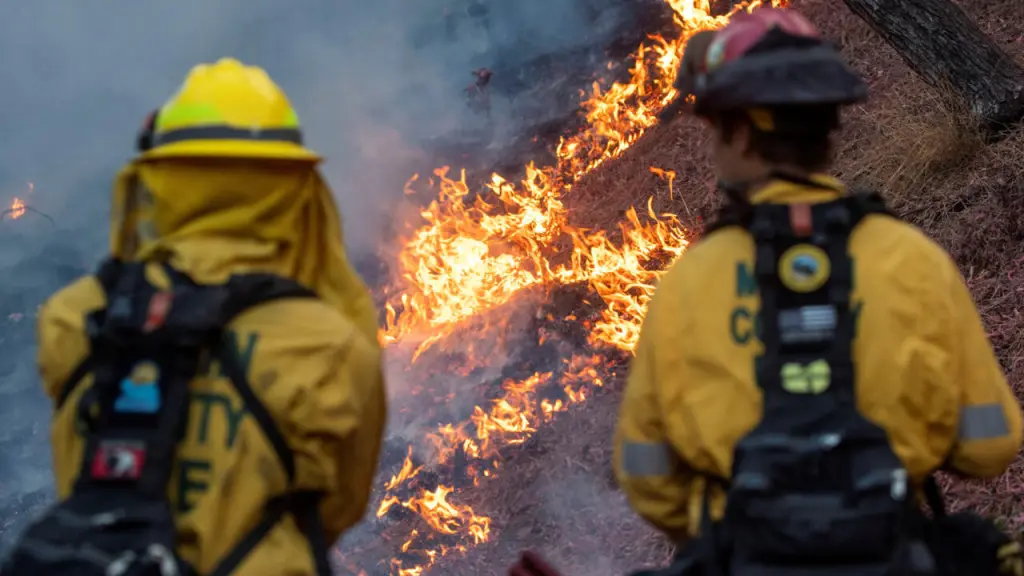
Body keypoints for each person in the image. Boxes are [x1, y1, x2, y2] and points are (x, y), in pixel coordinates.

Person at [509, 6, 1024, 576]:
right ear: (829, 125)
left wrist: (728, 534)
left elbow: (647, 476)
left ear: (739, 130)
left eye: (714, 125)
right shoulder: (911, 259)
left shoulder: (690, 282)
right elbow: (990, 444)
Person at [3, 57, 386, 576]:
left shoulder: (74, 318)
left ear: (158, 179)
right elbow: (338, 509)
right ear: (291, 184)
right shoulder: (327, 344)